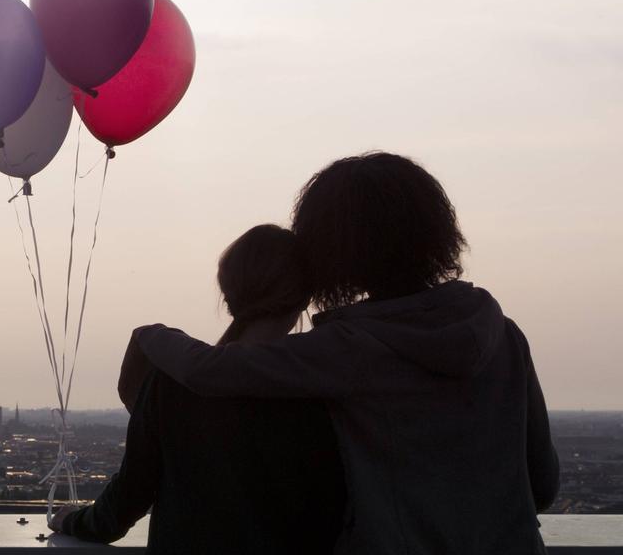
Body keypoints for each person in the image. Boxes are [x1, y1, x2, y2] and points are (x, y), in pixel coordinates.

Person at [130, 152, 559, 555]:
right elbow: (542, 483)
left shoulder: (349, 348)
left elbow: (212, 372)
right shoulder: (504, 336)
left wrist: (152, 336)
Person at [52, 224, 344, 552]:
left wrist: (71, 521)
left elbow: (127, 499)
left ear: (229, 293)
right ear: (305, 295)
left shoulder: (172, 382)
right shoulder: (323, 386)